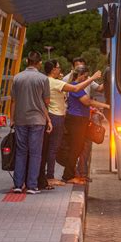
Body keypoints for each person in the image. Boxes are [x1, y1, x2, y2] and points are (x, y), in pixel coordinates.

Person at [38, 60, 102, 189]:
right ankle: (52, 177)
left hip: (53, 116)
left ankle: (48, 177)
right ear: (53, 70)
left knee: (50, 149)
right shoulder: (55, 82)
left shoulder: (45, 81)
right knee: (54, 149)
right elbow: (77, 89)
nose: (59, 69)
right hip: (56, 116)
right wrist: (93, 78)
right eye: (58, 67)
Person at [10, 51, 52, 194]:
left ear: (27, 61)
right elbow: (46, 101)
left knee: (21, 152)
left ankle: (17, 184)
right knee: (35, 153)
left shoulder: (17, 78)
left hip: (20, 119)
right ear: (39, 63)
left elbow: (14, 101)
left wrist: (12, 119)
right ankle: (32, 186)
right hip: (38, 120)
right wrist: (48, 119)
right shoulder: (43, 79)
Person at [62, 65, 110, 184]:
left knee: (78, 147)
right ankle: (68, 176)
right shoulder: (74, 86)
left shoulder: (77, 87)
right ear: (80, 75)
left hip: (79, 120)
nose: (86, 79)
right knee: (76, 148)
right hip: (76, 121)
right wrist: (106, 106)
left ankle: (70, 174)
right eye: (86, 76)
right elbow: (87, 102)